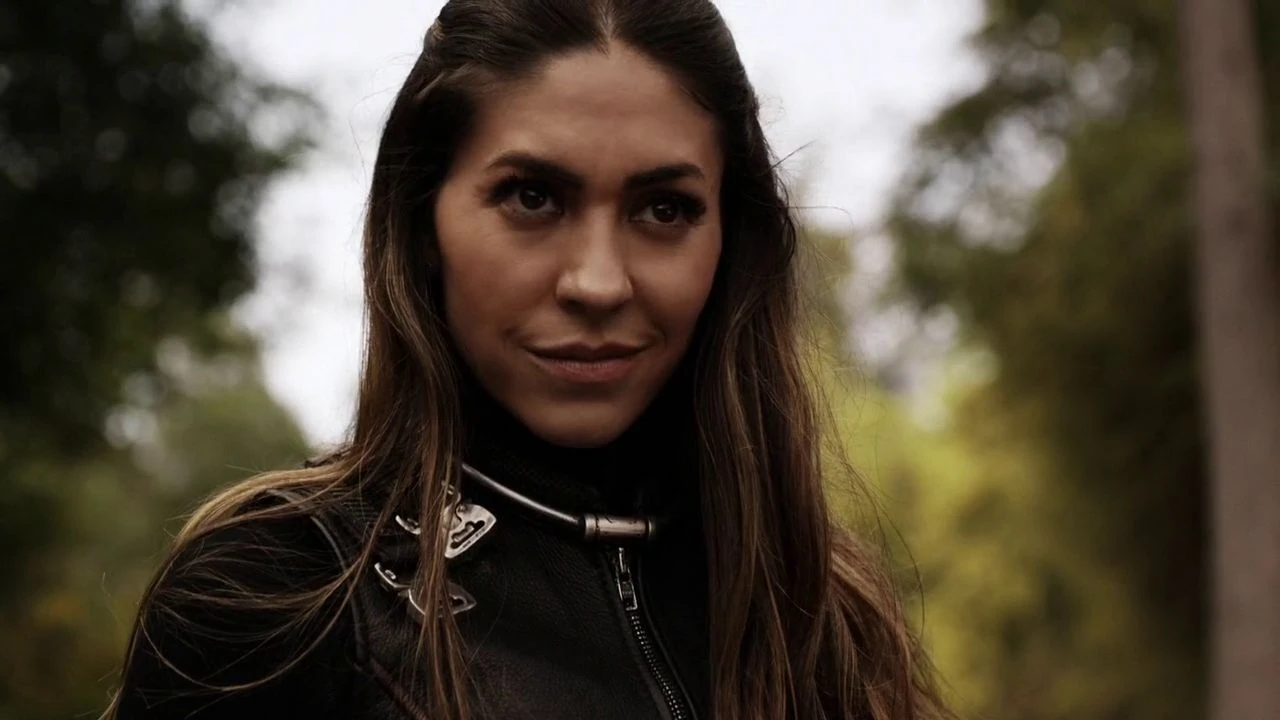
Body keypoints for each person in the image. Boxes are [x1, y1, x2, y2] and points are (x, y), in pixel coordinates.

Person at [108, 0, 951, 718]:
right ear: (423, 223)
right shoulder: (282, 596)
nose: (598, 282)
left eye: (664, 209)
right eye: (533, 197)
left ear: (730, 240)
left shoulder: (823, 616)